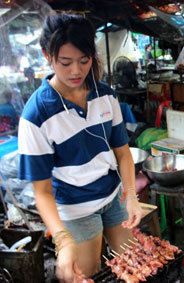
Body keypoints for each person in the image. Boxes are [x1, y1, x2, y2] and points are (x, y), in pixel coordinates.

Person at [17, 14, 144, 282]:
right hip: (75, 208)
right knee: (85, 275)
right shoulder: (36, 115)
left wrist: (131, 195)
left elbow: (122, 152)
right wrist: (63, 241)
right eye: (66, 62)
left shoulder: (106, 95)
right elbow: (41, 192)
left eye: (84, 61)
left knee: (132, 264)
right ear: (47, 55)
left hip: (112, 197)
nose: (76, 71)